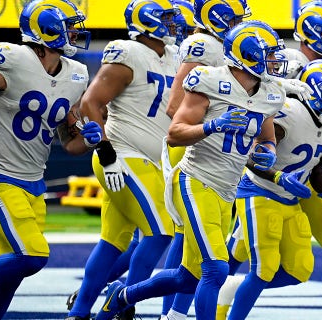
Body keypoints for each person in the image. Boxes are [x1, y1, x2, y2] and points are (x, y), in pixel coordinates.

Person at [94, 20, 287, 320]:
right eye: (269, 54)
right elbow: (175, 132)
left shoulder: (270, 92)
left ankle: (122, 296)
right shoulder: (209, 80)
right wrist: (212, 125)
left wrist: (268, 151)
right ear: (247, 55)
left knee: (189, 276)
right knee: (216, 268)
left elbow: (267, 135)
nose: (276, 61)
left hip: (226, 189)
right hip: (196, 180)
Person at [0, 0, 99, 319]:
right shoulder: (13, 59)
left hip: (35, 181)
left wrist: (88, 138)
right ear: (47, 28)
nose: (75, 32)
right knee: (32, 255)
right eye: (69, 25)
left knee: (11, 277)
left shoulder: (76, 74)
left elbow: (70, 145)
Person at [226, 58, 322, 320]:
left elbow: (317, 160)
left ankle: (233, 287)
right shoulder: (287, 113)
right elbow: (249, 156)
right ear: (313, 92)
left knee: (299, 270)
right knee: (264, 268)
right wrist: (278, 178)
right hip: (260, 192)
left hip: (289, 200)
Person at [65, 1, 180, 320]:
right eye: (168, 18)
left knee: (113, 241)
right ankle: (118, 304)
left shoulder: (173, 55)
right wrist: (106, 152)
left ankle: (79, 311)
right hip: (122, 156)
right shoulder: (127, 52)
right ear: (149, 20)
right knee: (161, 232)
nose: (175, 23)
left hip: (148, 160)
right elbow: (91, 102)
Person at [161, 1, 251, 319]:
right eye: (237, 19)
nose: (242, 25)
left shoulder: (219, 47)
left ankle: (171, 312)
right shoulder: (205, 45)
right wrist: (212, 128)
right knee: (186, 236)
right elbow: (175, 106)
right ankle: (169, 312)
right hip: (194, 149)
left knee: (194, 246)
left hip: (215, 147)